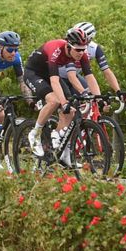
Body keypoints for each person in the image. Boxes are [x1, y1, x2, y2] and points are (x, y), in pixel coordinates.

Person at [22, 27, 92, 164]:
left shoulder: (82, 54)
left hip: (50, 75)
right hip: (34, 74)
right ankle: (35, 133)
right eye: (77, 49)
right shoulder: (56, 49)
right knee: (54, 101)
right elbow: (54, 81)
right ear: (68, 45)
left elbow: (90, 77)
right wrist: (63, 103)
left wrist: (96, 97)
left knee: (70, 111)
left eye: (84, 49)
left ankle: (64, 153)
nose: (81, 52)